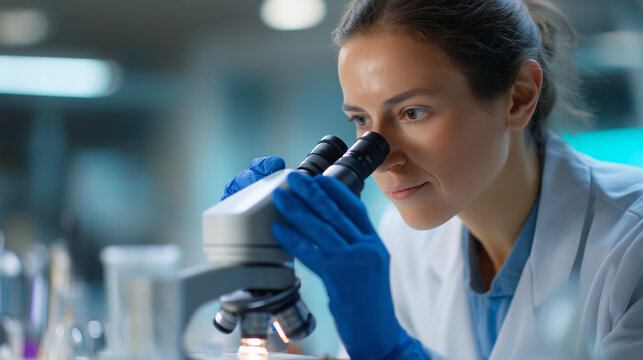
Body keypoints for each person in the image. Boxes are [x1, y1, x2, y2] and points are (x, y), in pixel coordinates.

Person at [221, 0, 643, 359]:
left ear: (518, 97)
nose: (381, 158)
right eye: (361, 120)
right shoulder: (403, 240)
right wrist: (276, 304)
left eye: (412, 112)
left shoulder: (631, 246)